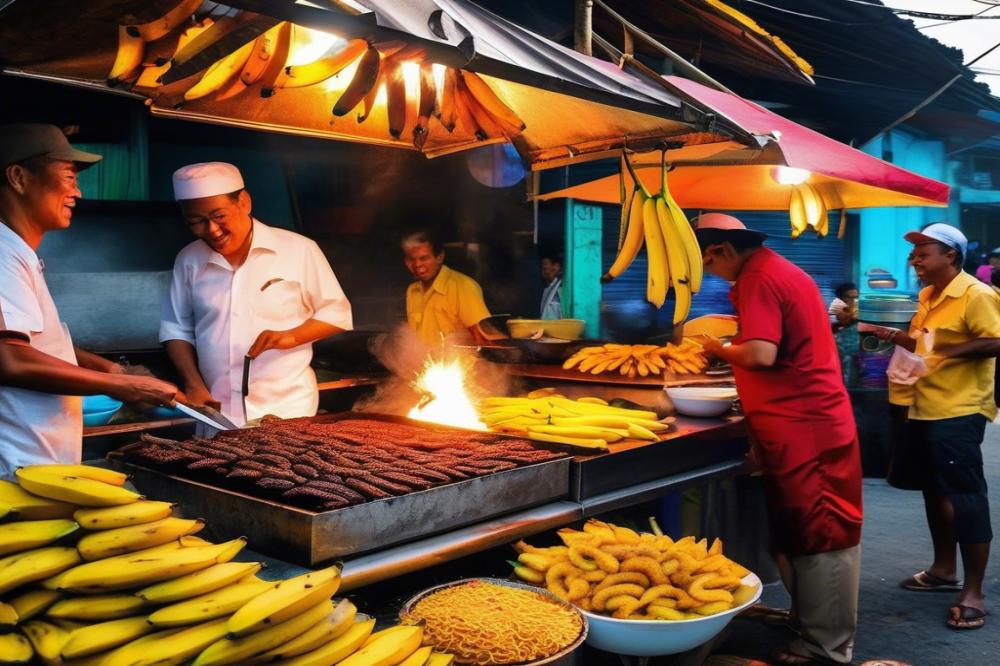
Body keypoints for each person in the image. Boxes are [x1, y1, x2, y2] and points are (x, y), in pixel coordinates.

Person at [695, 213, 862, 665]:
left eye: (708, 263)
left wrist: (719, 349)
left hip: (807, 427)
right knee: (797, 529)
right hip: (795, 423)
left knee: (823, 532)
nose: (710, 272)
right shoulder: (774, 271)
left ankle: (826, 646)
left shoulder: (760, 277)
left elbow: (761, 353)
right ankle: (806, 620)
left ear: (724, 250)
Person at [0, 123, 181, 476]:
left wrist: (115, 369)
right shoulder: (3, 253)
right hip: (16, 466)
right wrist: (125, 385)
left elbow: (37, 345)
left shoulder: (18, 253)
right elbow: (11, 360)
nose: (77, 192)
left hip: (37, 461)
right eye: (69, 177)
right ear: (19, 177)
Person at [160, 162, 352, 426]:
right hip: (217, 413)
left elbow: (337, 313)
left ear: (244, 202)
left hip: (286, 410)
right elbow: (175, 329)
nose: (212, 230)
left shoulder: (298, 250)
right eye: (197, 221)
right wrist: (193, 384)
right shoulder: (189, 260)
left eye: (219, 217)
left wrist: (291, 336)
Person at [877, 223, 1000, 631]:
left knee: (966, 495)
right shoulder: (930, 295)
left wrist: (949, 351)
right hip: (922, 405)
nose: (915, 261)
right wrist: (893, 336)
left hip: (959, 409)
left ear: (951, 256)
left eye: (923, 253)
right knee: (934, 490)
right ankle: (943, 571)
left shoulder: (977, 293)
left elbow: (995, 340)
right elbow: (924, 344)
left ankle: (974, 591)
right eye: (914, 254)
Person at [401, 228, 494, 346]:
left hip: (461, 364)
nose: (417, 264)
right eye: (412, 259)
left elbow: (484, 337)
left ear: (439, 257)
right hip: (425, 364)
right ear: (406, 261)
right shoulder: (412, 290)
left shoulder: (462, 286)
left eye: (424, 258)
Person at [829, 282, 860, 386]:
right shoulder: (833, 315)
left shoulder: (858, 316)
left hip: (856, 363)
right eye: (850, 298)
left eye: (856, 298)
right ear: (841, 299)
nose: (854, 302)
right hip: (837, 363)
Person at [540, 253, 564, 320]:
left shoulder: (561, 286)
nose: (544, 270)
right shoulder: (547, 289)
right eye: (542, 268)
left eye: (545, 266)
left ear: (556, 267)